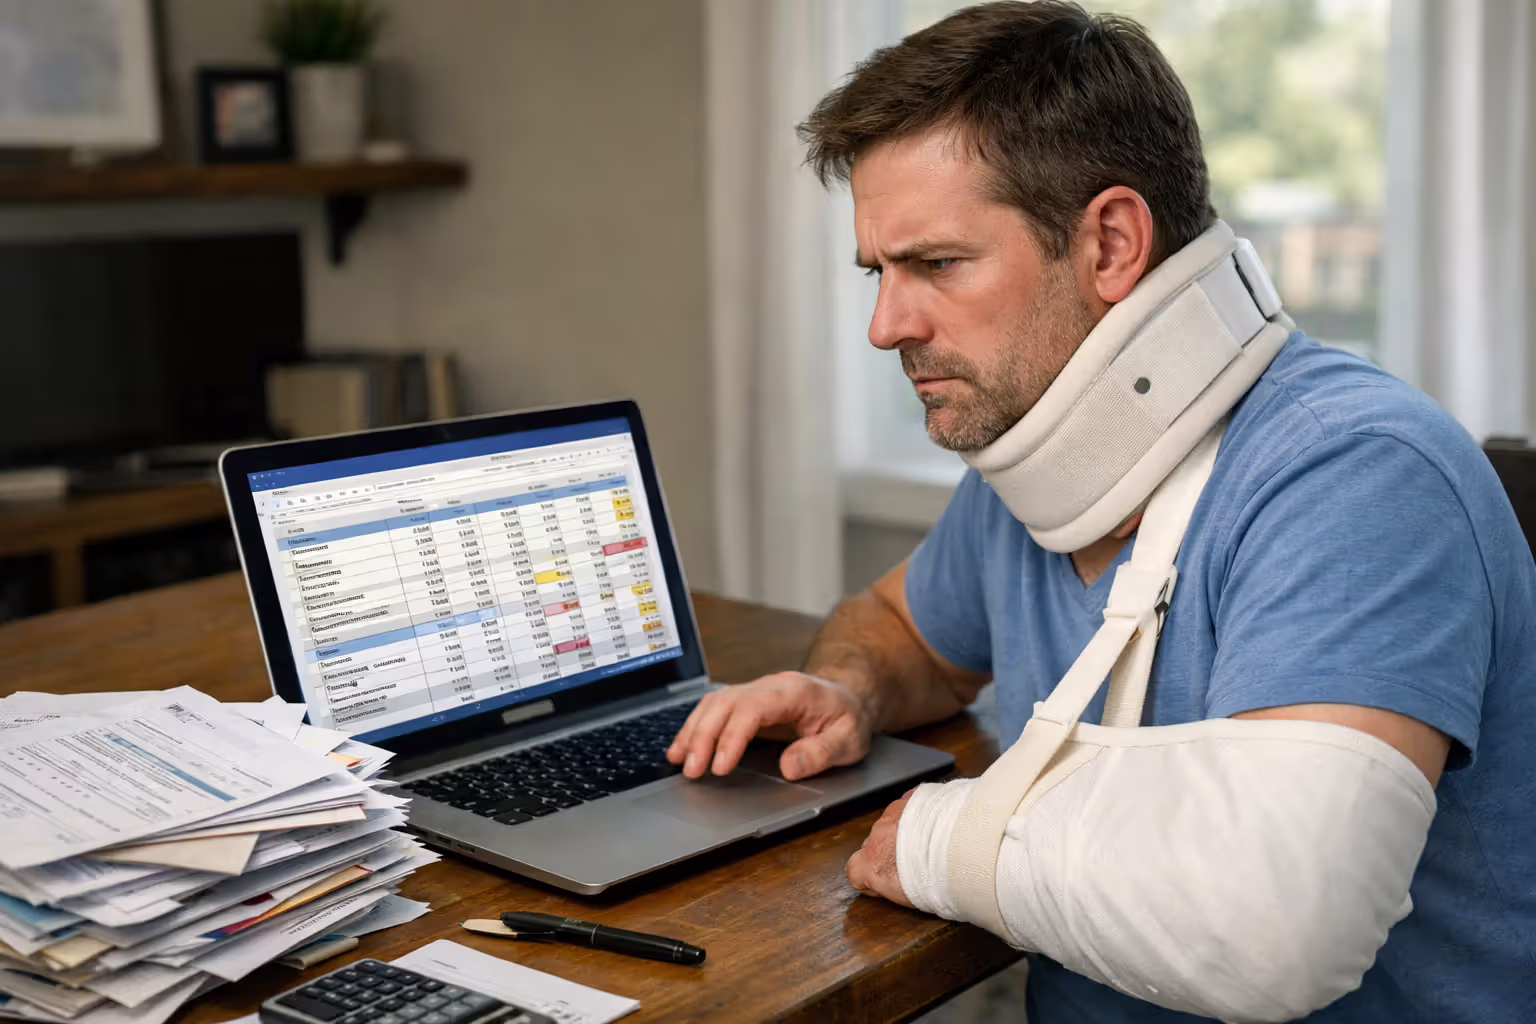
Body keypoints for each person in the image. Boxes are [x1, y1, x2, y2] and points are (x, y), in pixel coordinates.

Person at [665, 2, 1536, 1021]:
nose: (885, 324)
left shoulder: (1357, 475)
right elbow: (908, 629)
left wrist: (947, 842)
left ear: (1112, 243)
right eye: (878, 271)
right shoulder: (1034, 461)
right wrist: (846, 686)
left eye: (936, 264)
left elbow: (1279, 928)